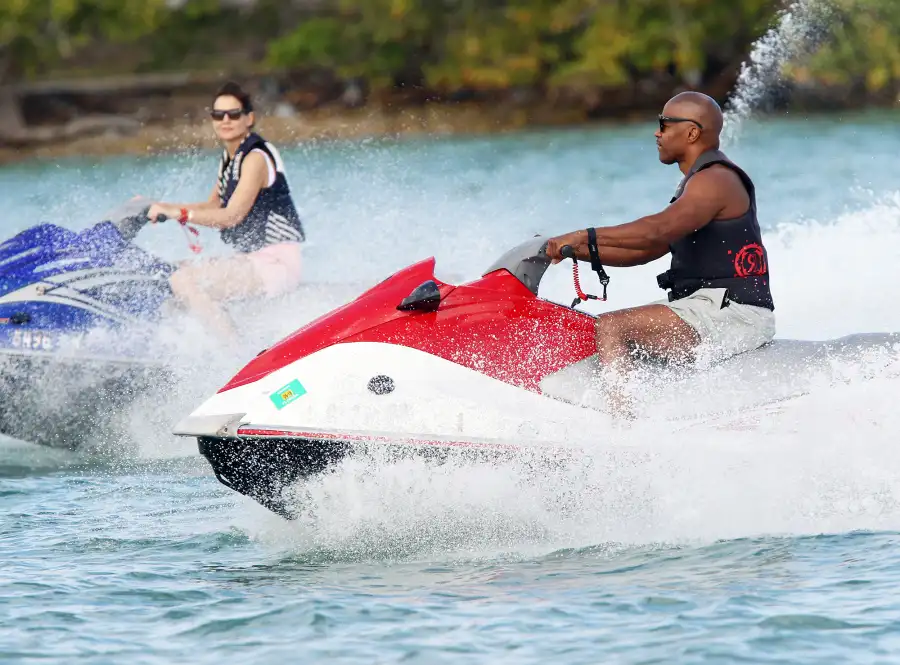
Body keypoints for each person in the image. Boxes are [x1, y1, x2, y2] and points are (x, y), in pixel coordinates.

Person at [546, 91, 775, 414]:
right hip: (706, 307)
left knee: (613, 327)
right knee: (593, 328)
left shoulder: (716, 180)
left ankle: (623, 425)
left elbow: (656, 230)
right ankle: (637, 413)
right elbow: (648, 249)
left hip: (735, 312)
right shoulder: (697, 182)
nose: (657, 132)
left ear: (692, 132)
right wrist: (574, 251)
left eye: (664, 124)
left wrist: (584, 235)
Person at [148, 81, 306, 340]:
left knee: (184, 280)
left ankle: (234, 354)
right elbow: (213, 206)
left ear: (249, 118)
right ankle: (174, 345)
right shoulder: (230, 158)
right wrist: (162, 206)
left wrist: (180, 214)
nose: (225, 120)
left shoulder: (256, 157)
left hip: (277, 264)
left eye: (233, 114)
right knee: (165, 272)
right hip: (252, 260)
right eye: (218, 115)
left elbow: (232, 216)